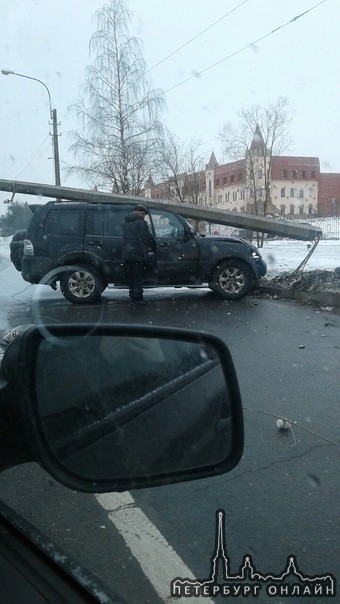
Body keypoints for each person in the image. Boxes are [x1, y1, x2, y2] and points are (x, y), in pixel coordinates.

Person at [121, 204, 157, 304]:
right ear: (141, 213)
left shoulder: (125, 222)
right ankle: (137, 298)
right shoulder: (140, 223)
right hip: (137, 254)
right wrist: (153, 247)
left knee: (131, 276)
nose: (144, 216)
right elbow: (147, 237)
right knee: (137, 277)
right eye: (144, 214)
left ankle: (132, 294)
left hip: (127, 254)